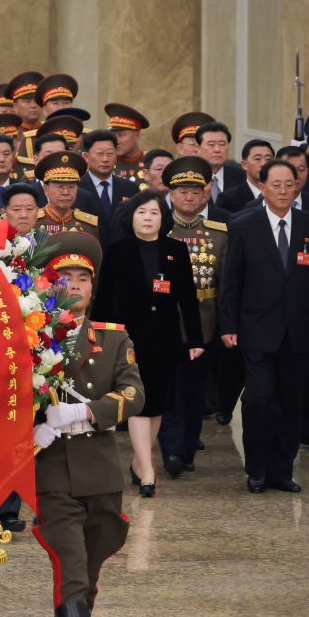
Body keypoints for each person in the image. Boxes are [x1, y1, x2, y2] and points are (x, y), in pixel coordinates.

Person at [32, 230, 143, 617]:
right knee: (71, 573)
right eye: (64, 278)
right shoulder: (27, 338)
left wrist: (82, 413)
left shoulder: (114, 337)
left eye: (83, 278)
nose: (74, 286)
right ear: (48, 284)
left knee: (88, 578)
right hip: (50, 470)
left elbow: (136, 395)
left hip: (102, 473)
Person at [91, 190, 202, 497]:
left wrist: (195, 340)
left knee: (157, 405)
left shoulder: (176, 250)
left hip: (166, 338)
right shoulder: (117, 250)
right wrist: (98, 337)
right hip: (130, 338)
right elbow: (103, 298)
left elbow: (188, 299)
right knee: (138, 403)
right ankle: (149, 468)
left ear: (162, 218)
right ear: (131, 217)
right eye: (141, 212)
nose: (148, 218)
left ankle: (139, 463)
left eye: (154, 212)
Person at [219, 159, 309, 494]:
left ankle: (281, 471)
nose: (284, 190)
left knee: (291, 401)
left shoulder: (307, 224)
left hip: (299, 332)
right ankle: (256, 469)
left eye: (290, 183)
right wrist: (228, 324)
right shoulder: (244, 225)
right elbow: (232, 281)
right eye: (276, 184)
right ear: (262, 186)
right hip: (256, 327)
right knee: (258, 398)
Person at [157, 157, 229, 476]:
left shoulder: (219, 234)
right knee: (166, 388)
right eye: (181, 191)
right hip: (164, 321)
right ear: (171, 195)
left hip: (204, 323)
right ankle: (171, 450)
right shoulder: (158, 229)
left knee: (193, 391)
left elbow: (227, 284)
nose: (188, 197)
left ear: (205, 196)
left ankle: (186, 451)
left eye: (195, 191)